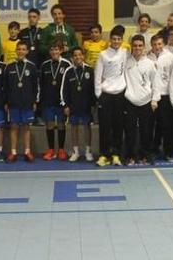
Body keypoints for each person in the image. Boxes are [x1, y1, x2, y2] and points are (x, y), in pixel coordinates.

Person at [94, 25, 128, 167]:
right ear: (110, 40)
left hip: (120, 95)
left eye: (118, 39)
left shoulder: (126, 53)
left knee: (118, 127)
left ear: (121, 40)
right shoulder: (103, 55)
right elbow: (97, 75)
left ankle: (116, 154)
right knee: (105, 127)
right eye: (114, 39)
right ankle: (104, 155)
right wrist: (99, 95)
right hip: (106, 95)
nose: (116, 41)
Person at [123, 35, 158, 165]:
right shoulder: (126, 62)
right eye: (135, 45)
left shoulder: (150, 64)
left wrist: (154, 100)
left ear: (144, 47)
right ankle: (130, 156)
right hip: (129, 100)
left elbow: (156, 83)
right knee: (130, 130)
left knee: (146, 130)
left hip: (146, 101)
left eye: (140, 45)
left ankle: (145, 155)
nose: (137, 48)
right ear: (131, 46)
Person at [4, 40, 39, 162]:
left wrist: (35, 101)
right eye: (19, 49)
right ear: (16, 51)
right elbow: (6, 86)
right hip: (13, 102)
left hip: (27, 102)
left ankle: (27, 151)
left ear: (27, 51)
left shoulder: (32, 67)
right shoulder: (9, 67)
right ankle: (13, 152)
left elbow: (35, 86)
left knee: (26, 127)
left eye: (23, 49)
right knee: (13, 127)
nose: (21, 51)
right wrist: (6, 102)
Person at [62, 47, 96, 162]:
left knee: (87, 127)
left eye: (80, 55)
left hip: (86, 105)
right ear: (72, 58)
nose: (78, 57)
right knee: (74, 127)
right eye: (75, 55)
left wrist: (93, 104)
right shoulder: (68, 71)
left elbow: (93, 88)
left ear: (83, 56)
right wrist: (65, 105)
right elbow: (64, 90)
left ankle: (87, 151)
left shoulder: (90, 70)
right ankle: (75, 151)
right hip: (73, 105)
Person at [39, 42, 72, 161]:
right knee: (50, 124)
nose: (54, 52)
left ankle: (61, 149)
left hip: (61, 101)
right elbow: (40, 84)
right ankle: (51, 149)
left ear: (61, 50)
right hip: (48, 100)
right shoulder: (44, 65)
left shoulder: (67, 64)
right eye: (52, 50)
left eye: (56, 49)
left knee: (62, 124)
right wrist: (40, 100)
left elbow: (69, 85)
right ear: (49, 52)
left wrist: (67, 102)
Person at [150, 33, 173, 161]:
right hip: (150, 97)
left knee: (168, 126)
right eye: (155, 44)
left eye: (160, 44)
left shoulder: (171, 57)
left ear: (163, 44)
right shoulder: (146, 57)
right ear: (151, 45)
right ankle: (153, 150)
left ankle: (169, 152)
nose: (157, 46)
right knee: (153, 125)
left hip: (166, 95)